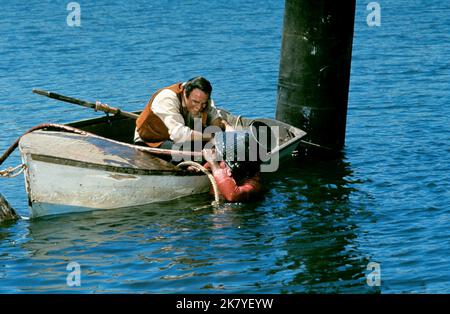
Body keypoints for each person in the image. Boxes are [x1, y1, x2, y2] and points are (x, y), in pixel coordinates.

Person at [135, 76, 232, 149]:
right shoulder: (167, 98)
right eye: (195, 102)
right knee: (183, 153)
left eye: (203, 103)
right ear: (185, 94)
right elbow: (179, 134)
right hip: (152, 140)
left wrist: (225, 128)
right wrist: (210, 137)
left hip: (184, 135)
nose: (199, 107)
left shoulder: (201, 96)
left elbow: (214, 115)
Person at [203, 131, 262, 202]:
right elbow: (212, 165)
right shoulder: (226, 163)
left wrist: (213, 164)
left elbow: (233, 196)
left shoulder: (253, 185)